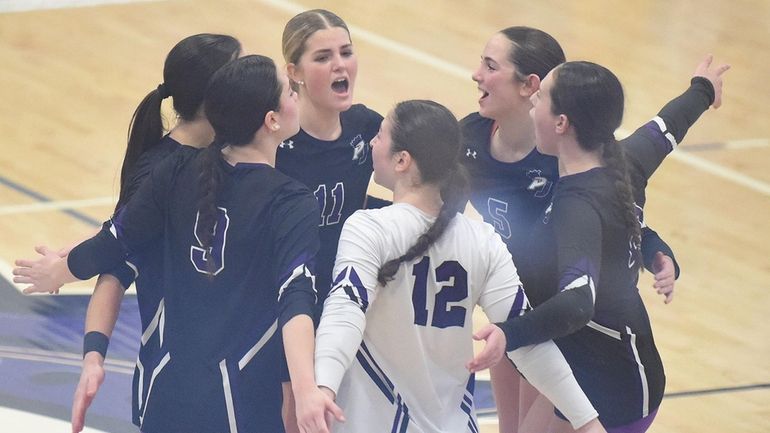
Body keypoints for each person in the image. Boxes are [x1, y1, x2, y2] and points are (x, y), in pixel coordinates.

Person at [15, 55, 334, 433]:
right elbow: (296, 295)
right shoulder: (290, 200)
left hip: (165, 390)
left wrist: (60, 270)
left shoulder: (176, 170)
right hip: (240, 401)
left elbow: (114, 243)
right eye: (290, 91)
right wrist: (305, 389)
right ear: (272, 120)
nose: (297, 95)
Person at [462, 26, 729, 432]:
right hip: (584, 359)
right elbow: (668, 126)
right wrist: (703, 89)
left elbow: (577, 301)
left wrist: (507, 333)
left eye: (541, 101)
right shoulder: (623, 159)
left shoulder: (576, 208)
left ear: (561, 123)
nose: (533, 107)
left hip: (611, 384)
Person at [301, 100, 606, 433]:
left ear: (402, 160)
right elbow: (529, 342)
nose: (373, 142)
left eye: (381, 135)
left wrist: (323, 387)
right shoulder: (482, 240)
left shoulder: (368, 227)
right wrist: (588, 422)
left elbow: (345, 310)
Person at [276, 9, 384, 429]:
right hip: (286, 302)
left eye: (346, 52)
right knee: (294, 412)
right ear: (295, 72)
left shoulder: (366, 127)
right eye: (323, 57)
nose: (340, 65)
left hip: (348, 296)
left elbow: (415, 189)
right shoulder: (275, 142)